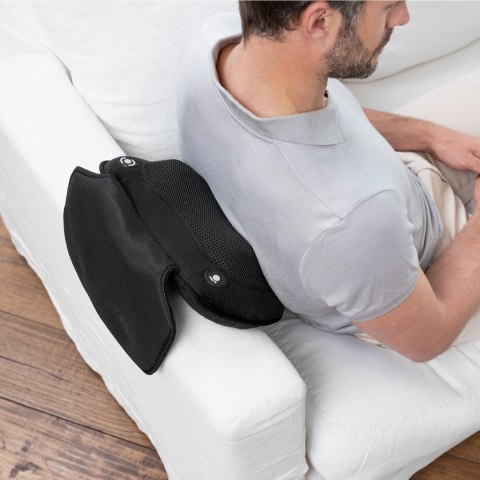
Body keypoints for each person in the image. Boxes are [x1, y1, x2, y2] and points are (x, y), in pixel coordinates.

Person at [175, 0, 480, 362]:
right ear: (319, 21)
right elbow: (428, 337)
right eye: (389, 7)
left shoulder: (217, 45)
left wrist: (431, 136)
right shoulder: (347, 222)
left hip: (393, 191)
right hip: (427, 275)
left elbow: (333, 116)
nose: (403, 17)